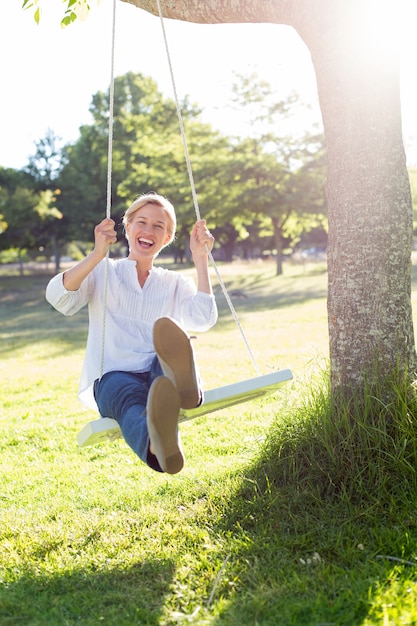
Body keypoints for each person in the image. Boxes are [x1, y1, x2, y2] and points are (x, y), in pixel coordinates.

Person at [46, 192, 217, 474]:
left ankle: (184, 387)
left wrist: (201, 259)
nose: (148, 231)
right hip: (113, 376)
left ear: (167, 238)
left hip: (155, 371)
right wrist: (97, 254)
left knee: (166, 361)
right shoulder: (103, 271)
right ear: (127, 227)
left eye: (158, 226)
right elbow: (59, 297)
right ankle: (157, 446)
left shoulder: (173, 282)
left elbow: (203, 318)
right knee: (129, 400)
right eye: (141, 222)